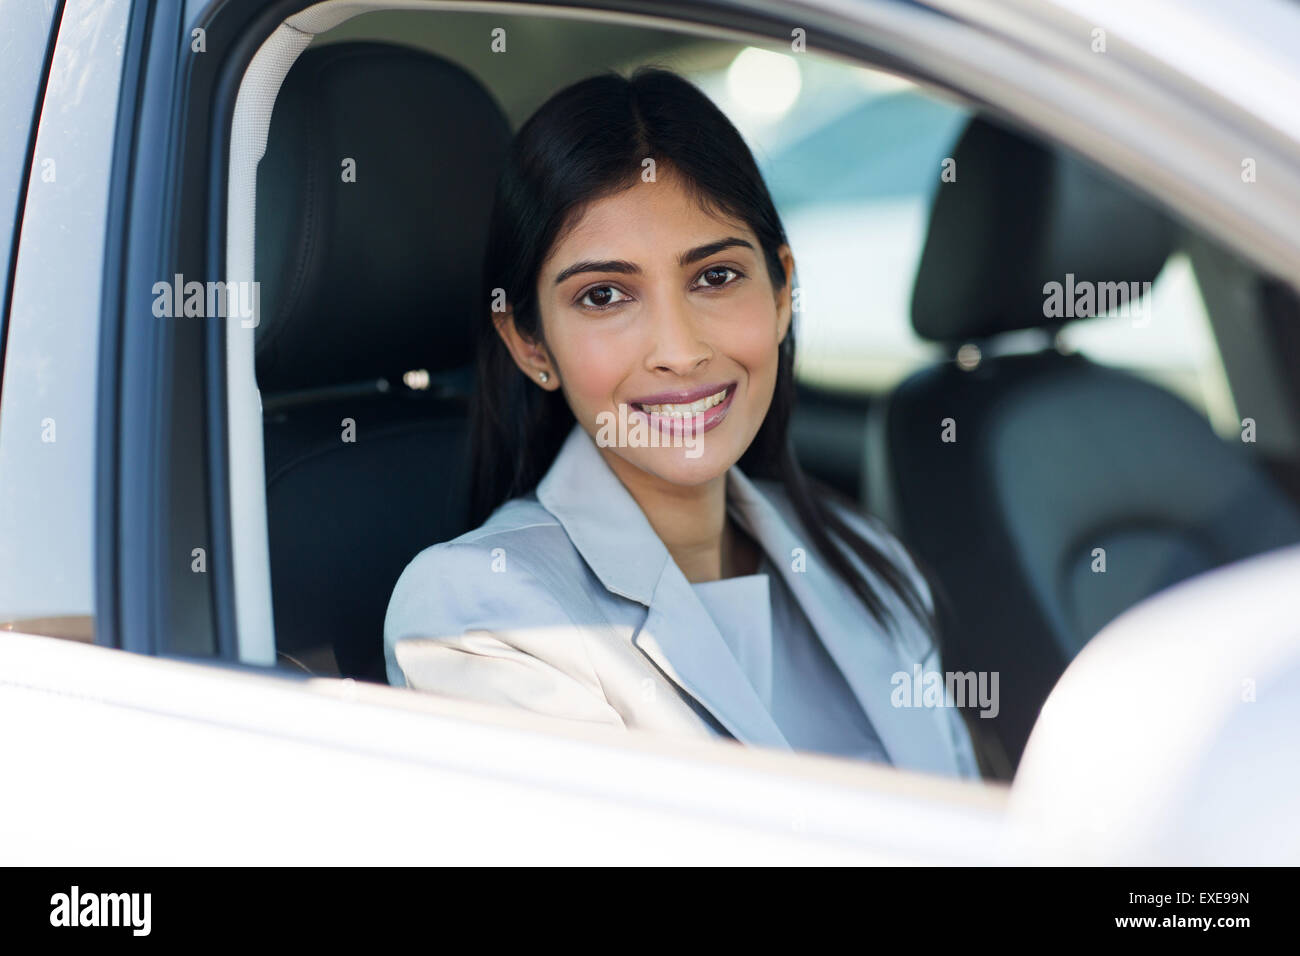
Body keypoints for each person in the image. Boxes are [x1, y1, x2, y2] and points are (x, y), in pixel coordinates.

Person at [385, 67, 980, 779]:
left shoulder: (862, 558)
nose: (680, 350)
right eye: (604, 295)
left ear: (783, 290)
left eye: (716, 277)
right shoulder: (481, 613)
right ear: (530, 344)